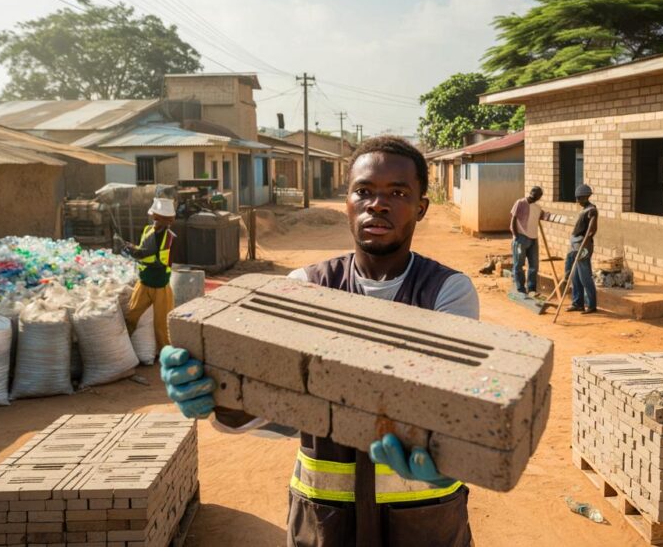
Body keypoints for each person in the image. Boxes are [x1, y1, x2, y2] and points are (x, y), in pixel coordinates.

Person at [159, 136, 480, 546]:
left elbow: (447, 405)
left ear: (421, 206)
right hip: (325, 523)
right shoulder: (304, 288)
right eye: (363, 191)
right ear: (346, 201)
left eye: (397, 193)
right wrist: (218, 391)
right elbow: (273, 406)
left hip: (423, 522)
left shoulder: (447, 291)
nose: (377, 204)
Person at [119, 197, 177, 352]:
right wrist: (134, 248)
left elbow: (159, 261)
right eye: (156, 218)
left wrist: (138, 254)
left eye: (161, 219)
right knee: (132, 315)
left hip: (160, 286)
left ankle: (165, 353)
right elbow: (144, 248)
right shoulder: (147, 230)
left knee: (161, 324)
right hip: (144, 283)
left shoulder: (169, 238)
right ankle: (124, 349)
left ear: (168, 221)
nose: (157, 222)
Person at [564, 184, 598, 314]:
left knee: (585, 277)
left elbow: (592, 229)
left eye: (579, 198)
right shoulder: (584, 209)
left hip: (583, 246)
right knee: (575, 276)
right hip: (575, 245)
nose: (577, 201)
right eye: (577, 198)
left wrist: (585, 242)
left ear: (586, 197)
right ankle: (577, 303)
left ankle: (591, 305)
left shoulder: (592, 210)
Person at [509, 186, 543, 296]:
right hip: (521, 238)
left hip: (533, 239)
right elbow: (513, 219)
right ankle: (520, 289)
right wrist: (516, 235)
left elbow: (543, 215)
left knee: (534, 265)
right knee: (519, 264)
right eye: (534, 194)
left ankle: (531, 288)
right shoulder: (520, 202)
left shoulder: (537, 208)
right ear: (531, 193)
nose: (535, 197)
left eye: (538, 195)